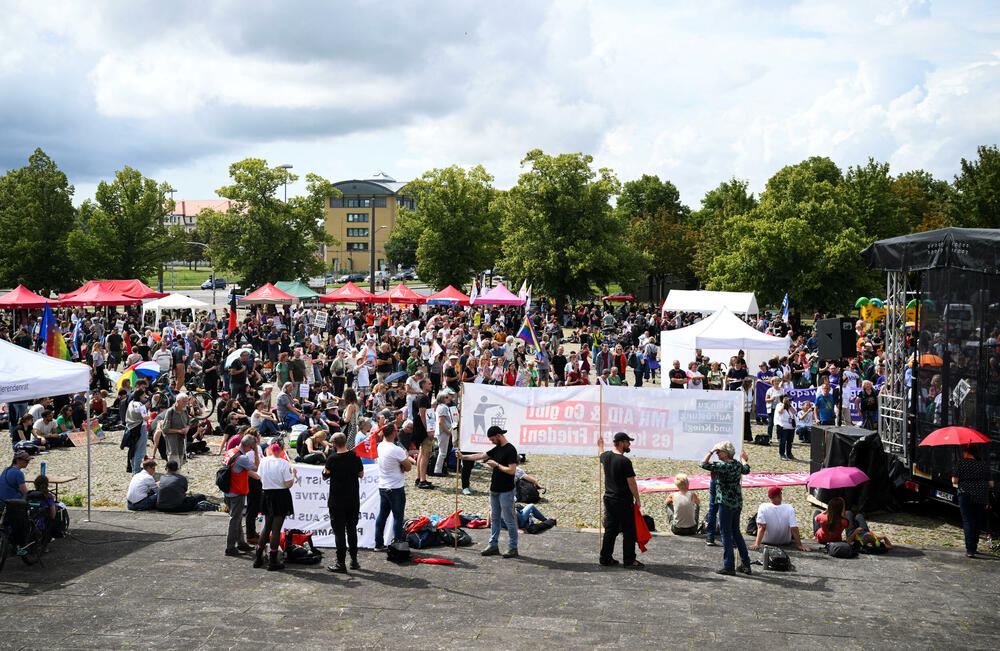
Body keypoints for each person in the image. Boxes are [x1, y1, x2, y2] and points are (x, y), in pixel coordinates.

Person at [458, 426, 521, 558]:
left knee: (509, 519)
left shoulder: (510, 449)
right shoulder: (497, 448)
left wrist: (496, 465)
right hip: (494, 489)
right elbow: (481, 455)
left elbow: (512, 470)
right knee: (494, 518)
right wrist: (463, 456)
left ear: (498, 436)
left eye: (492, 439)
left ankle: (513, 547)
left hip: (506, 490)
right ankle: (493, 545)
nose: (492, 442)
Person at [700, 441, 752, 576]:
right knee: (736, 533)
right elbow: (746, 469)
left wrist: (710, 451)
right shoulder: (736, 465)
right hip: (737, 503)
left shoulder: (723, 466)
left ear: (726, 453)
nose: (717, 454)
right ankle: (746, 563)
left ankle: (728, 565)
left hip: (725, 503)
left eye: (719, 452)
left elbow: (703, 464)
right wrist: (744, 460)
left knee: (726, 534)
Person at [596, 431, 642, 568]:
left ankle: (605, 558)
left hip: (609, 500)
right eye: (628, 442)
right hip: (623, 501)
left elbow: (600, 454)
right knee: (629, 531)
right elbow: (631, 483)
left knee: (610, 530)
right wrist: (637, 499)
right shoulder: (625, 461)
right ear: (621, 443)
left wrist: (600, 445)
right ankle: (629, 560)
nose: (629, 445)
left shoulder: (606, 456)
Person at [324, 432, 364, 573]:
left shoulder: (332, 459)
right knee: (352, 530)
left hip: (337, 501)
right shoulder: (355, 456)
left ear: (334, 444)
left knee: (339, 532)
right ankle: (354, 560)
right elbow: (361, 474)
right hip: (352, 499)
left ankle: (341, 563)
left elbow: (324, 476)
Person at [255, 442, 296, 571]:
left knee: (267, 527)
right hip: (280, 495)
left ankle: (258, 557)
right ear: (282, 449)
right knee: (276, 529)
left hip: (267, 494)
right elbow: (288, 484)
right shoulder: (284, 463)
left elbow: (260, 477)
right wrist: (293, 474)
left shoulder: (264, 461)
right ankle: (273, 560)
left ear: (270, 449)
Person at [222, 434, 260, 557]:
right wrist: (256, 453)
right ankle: (230, 547)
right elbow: (255, 468)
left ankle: (241, 543)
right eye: (252, 447)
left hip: (227, 490)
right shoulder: (242, 458)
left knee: (237, 518)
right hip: (237, 491)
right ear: (249, 446)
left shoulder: (231, 451)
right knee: (235, 520)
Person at [952, 445, 994, 557]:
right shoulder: (983, 464)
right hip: (981, 495)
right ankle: (974, 547)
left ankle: (970, 549)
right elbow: (991, 484)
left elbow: (955, 481)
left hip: (965, 494)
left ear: (966, 452)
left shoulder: (961, 462)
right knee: (977, 521)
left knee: (968, 521)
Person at [374, 423, 410, 549]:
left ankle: (378, 543)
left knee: (382, 515)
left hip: (383, 486)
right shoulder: (396, 449)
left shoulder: (379, 446)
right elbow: (409, 466)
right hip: (395, 488)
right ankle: (398, 544)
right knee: (398, 517)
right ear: (394, 433)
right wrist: (404, 459)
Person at [748, 487, 809, 551]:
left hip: (766, 540)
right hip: (785, 541)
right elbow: (794, 528)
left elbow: (761, 527)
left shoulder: (763, 506)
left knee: (758, 517)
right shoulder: (789, 508)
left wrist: (757, 544)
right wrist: (800, 545)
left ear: (769, 497)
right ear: (779, 496)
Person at [411, 378, 434, 489]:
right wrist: (428, 429)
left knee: (421, 453)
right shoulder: (423, 398)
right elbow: (423, 415)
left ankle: (419, 477)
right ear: (424, 385)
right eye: (429, 384)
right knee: (425, 454)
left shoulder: (420, 397)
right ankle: (422, 480)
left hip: (419, 428)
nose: (431, 385)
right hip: (423, 429)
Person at [432, 390, 455, 477]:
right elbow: (441, 422)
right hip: (443, 432)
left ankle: (440, 468)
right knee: (443, 452)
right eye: (446, 397)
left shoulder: (441, 407)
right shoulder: (443, 407)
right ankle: (438, 470)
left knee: (443, 451)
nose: (448, 398)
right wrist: (448, 431)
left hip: (442, 431)